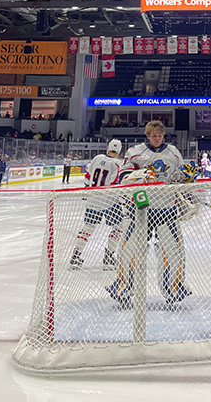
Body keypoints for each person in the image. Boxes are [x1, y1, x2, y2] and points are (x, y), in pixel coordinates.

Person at [109, 120, 190, 307]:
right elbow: (123, 177)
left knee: (172, 250)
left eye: (160, 135)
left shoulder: (173, 152)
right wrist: (140, 176)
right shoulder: (135, 152)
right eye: (154, 135)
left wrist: (186, 183)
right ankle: (123, 287)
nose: (157, 138)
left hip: (167, 208)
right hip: (140, 208)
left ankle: (173, 289)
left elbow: (181, 176)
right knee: (130, 249)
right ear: (147, 135)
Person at [70, 139, 123, 270]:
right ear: (119, 150)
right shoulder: (117, 163)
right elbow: (115, 184)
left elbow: (87, 178)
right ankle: (108, 256)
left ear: (108, 148)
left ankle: (75, 256)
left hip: (93, 199)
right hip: (109, 201)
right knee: (118, 227)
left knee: (88, 228)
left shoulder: (97, 158)